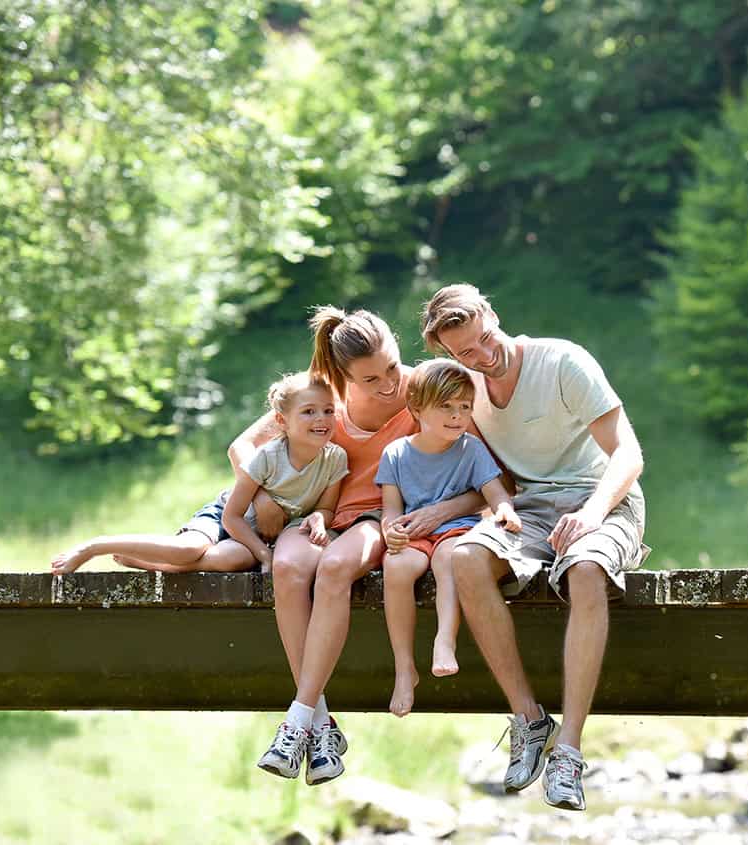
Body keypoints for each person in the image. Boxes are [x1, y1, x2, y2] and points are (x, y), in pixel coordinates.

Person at [421, 283, 647, 811]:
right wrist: (442, 511)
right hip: (528, 508)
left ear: (493, 314)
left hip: (604, 499)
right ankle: (528, 719)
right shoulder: (466, 389)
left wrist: (592, 513)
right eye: (464, 353)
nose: (481, 356)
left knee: (586, 568)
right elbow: (493, 479)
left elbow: (629, 454)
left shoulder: (563, 360)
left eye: (484, 339)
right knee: (465, 559)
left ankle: (568, 750)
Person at [239, 307, 484, 787]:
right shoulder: (320, 396)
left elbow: (486, 477)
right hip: (321, 515)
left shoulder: (426, 389)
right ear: (342, 375)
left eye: (392, 366)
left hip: (382, 518)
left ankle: (296, 720)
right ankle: (321, 725)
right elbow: (242, 447)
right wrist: (266, 495)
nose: (389, 383)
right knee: (286, 567)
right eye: (370, 378)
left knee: (334, 569)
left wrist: (440, 512)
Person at [49, 373, 346, 576]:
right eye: (309, 412)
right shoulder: (267, 458)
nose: (322, 419)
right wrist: (264, 553)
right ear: (282, 420)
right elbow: (231, 517)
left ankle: (158, 566)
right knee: (190, 548)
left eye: (329, 411)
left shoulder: (335, 459)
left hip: (251, 538)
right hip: (226, 517)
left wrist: (319, 518)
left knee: (236, 559)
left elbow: (325, 508)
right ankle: (96, 546)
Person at [375, 358, 521, 717]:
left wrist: (505, 510)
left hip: (456, 530)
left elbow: (495, 491)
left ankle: (445, 640)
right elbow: (390, 509)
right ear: (417, 408)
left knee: (449, 559)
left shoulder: (470, 448)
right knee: (397, 567)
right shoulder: (395, 453)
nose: (457, 416)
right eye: (446, 406)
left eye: (464, 407)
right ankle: (405, 666)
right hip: (414, 535)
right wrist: (391, 532)